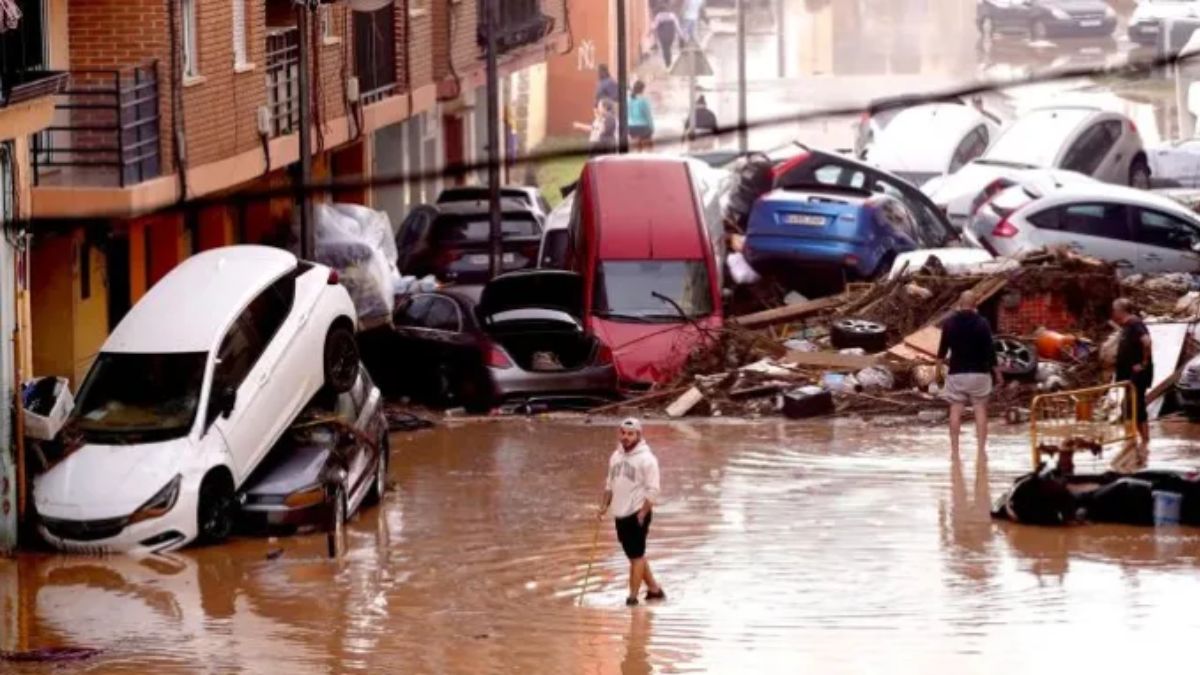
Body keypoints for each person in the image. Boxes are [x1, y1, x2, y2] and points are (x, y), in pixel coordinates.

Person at [597, 418, 665, 607]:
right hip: (619, 513)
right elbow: (609, 485)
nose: (626, 437)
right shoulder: (615, 456)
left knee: (636, 557)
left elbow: (654, 490)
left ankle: (632, 599)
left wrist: (643, 514)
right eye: (623, 433)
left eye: (630, 434)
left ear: (638, 435)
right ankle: (654, 590)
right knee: (636, 555)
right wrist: (604, 506)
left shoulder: (647, 459)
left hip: (637, 513)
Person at [937, 291, 1002, 456]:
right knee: (980, 409)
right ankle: (981, 451)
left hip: (957, 373)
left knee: (955, 410)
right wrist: (998, 373)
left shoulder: (949, 323)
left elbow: (942, 350)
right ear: (975, 305)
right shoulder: (982, 323)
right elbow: (990, 351)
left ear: (959, 303)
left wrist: (938, 371)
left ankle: (954, 451)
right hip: (980, 374)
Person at [1113, 297, 1153, 453]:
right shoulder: (1127, 326)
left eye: (1115, 309)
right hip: (1130, 376)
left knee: (1136, 407)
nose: (1113, 312)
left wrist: (1143, 363)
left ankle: (1143, 442)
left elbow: (1147, 342)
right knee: (1131, 407)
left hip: (1138, 375)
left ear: (1121, 310)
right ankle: (1137, 441)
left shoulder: (1135, 323)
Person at [627, 81, 655, 152]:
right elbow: (648, 116)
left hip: (631, 127)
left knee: (636, 147)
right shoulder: (643, 100)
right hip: (643, 127)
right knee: (649, 147)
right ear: (643, 89)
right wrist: (652, 128)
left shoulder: (629, 99)